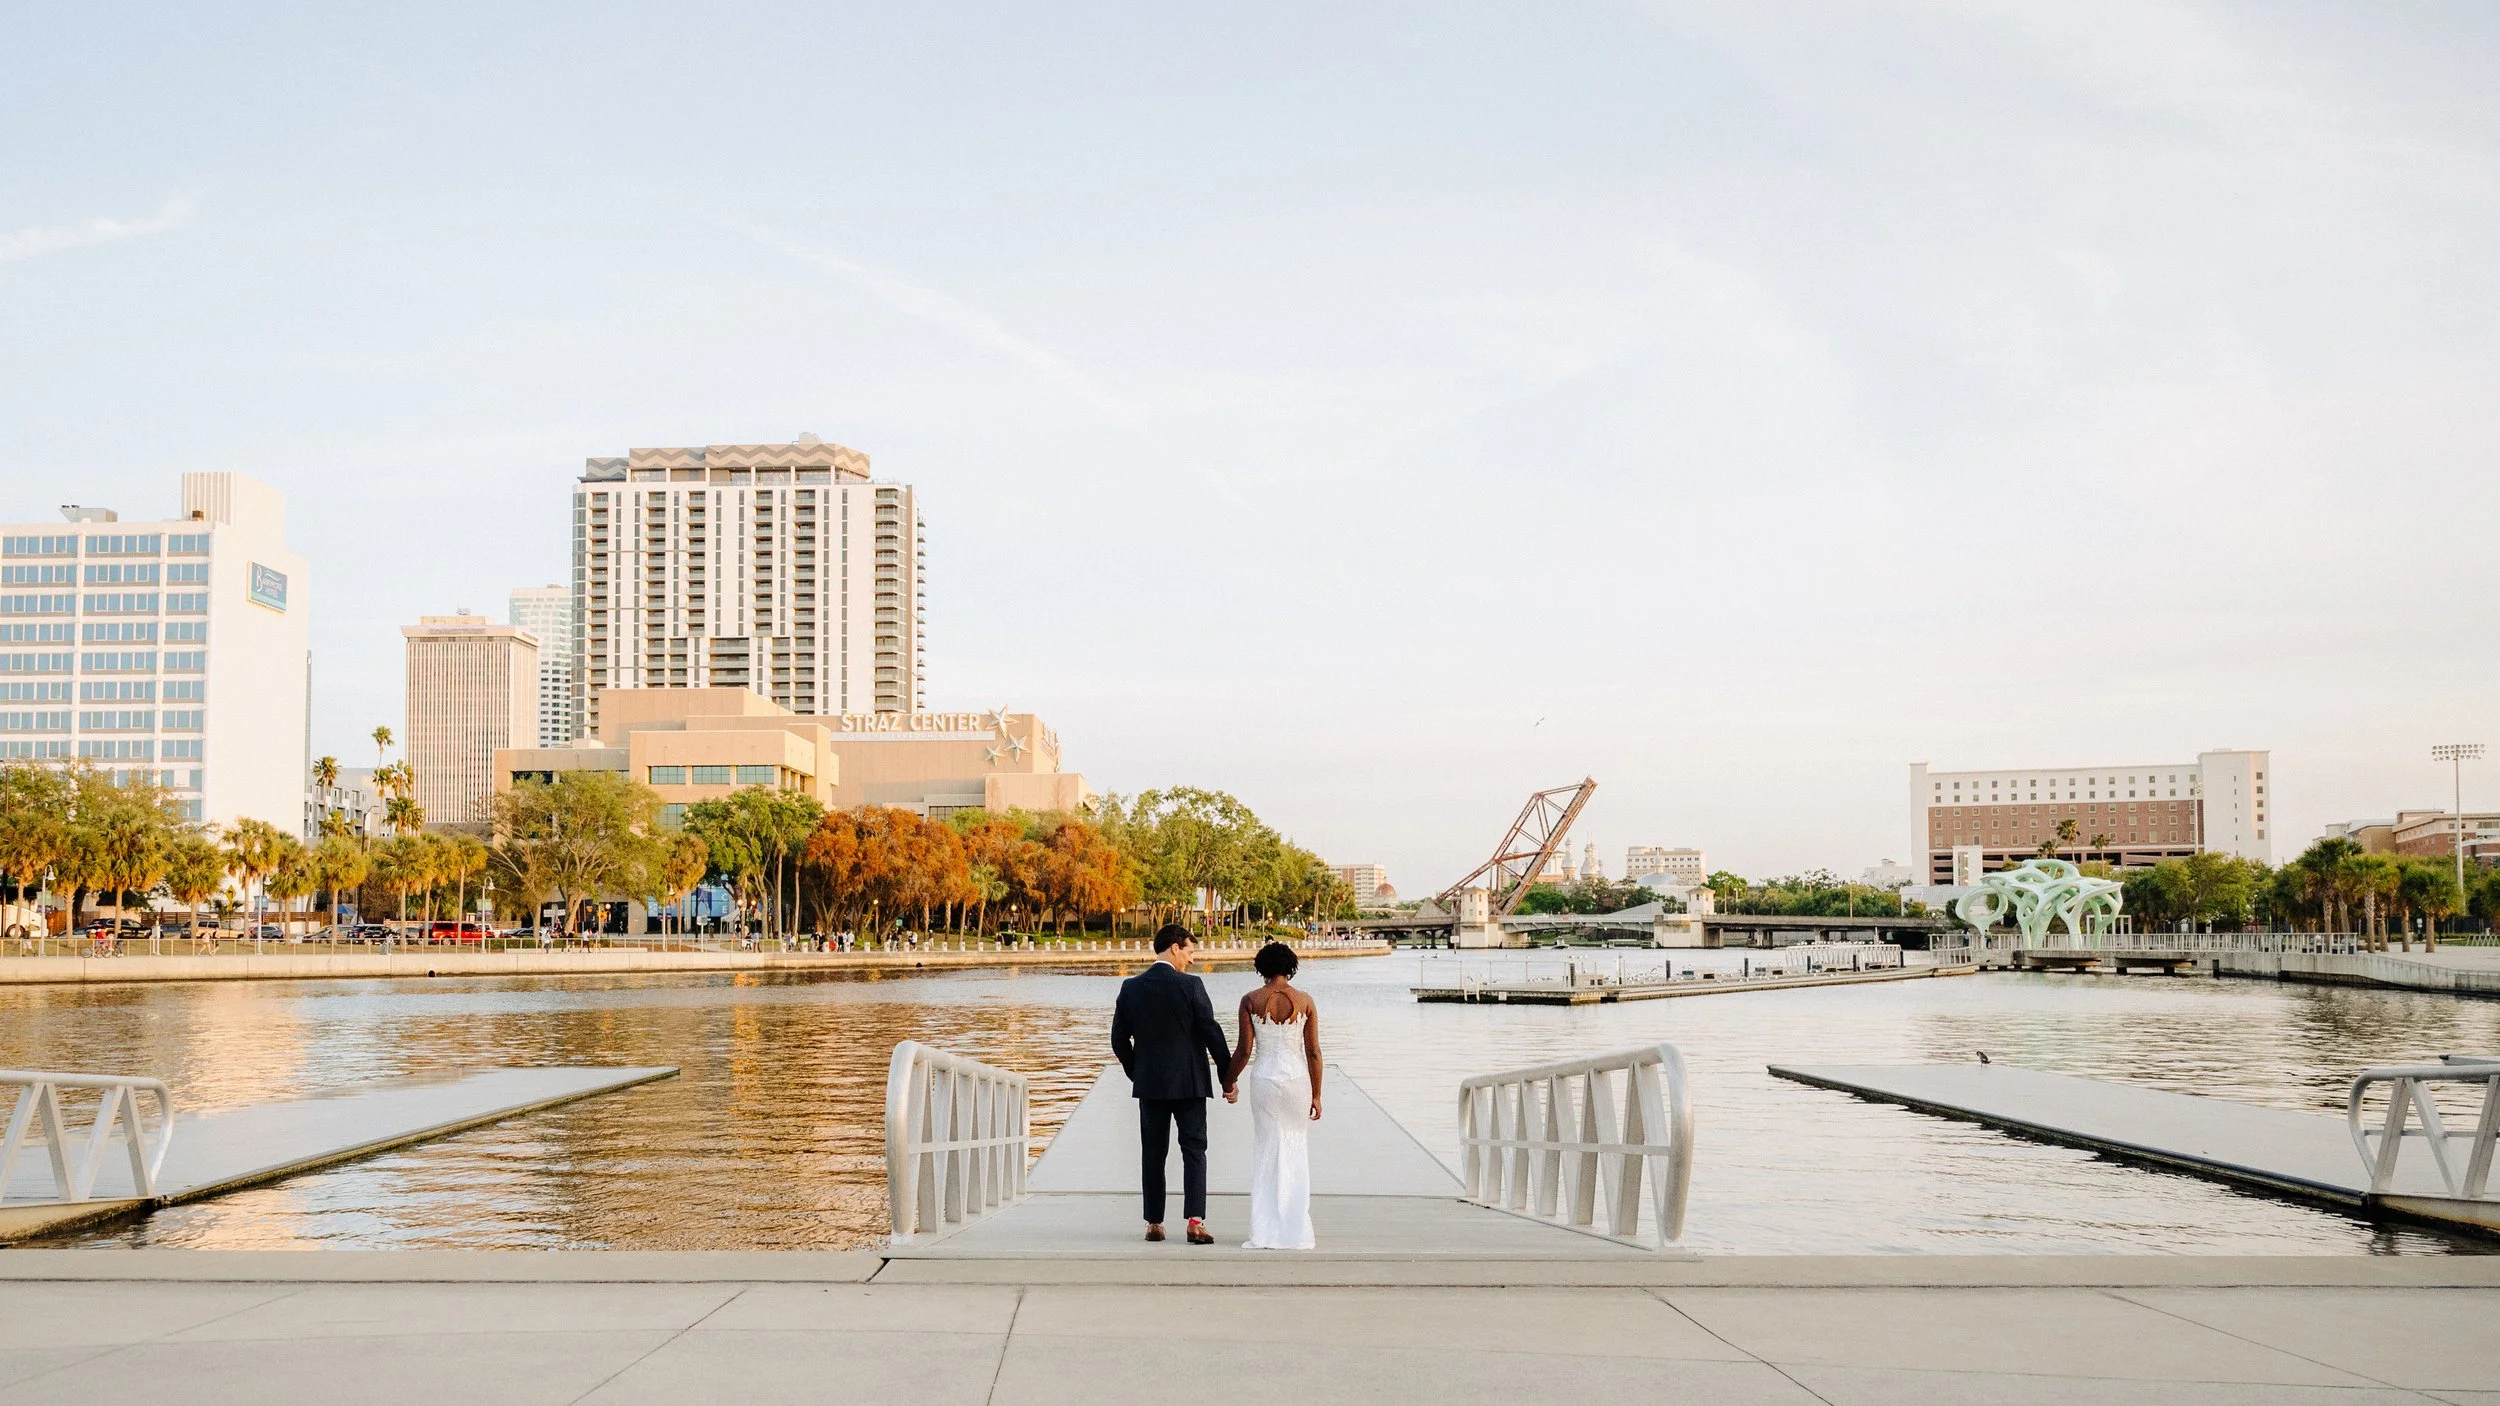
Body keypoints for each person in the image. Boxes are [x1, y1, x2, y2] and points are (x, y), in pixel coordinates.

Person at [1110, 923, 1237, 1244]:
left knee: (1153, 1152)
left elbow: (1118, 1040)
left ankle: (1154, 1222)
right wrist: (1227, 1078)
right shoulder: (1191, 987)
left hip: (1150, 1084)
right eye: (1190, 952)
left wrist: (1136, 1072)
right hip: (1190, 1083)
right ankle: (1195, 1223)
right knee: (1194, 1150)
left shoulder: (1130, 988)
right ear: (1174, 947)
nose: (1192, 960)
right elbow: (1212, 1033)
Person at [1228, 941, 1321, 1250]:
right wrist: (1317, 1095)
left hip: (1265, 1080)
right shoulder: (1305, 1000)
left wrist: (1229, 1082)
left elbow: (1244, 1050)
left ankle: (1266, 1231)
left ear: (1261, 968)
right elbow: (1313, 1053)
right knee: (1296, 1150)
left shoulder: (1250, 1000)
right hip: (1296, 1081)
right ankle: (1295, 1230)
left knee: (1266, 1150)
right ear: (1290, 967)